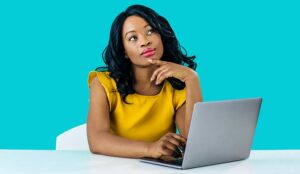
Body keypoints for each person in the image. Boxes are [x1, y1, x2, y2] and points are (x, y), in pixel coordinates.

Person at [87, 4, 203, 159]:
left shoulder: (176, 87)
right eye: (133, 38)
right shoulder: (103, 83)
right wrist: (150, 149)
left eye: (150, 31)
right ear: (124, 51)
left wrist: (192, 79)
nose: (145, 41)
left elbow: (194, 143)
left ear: (161, 36)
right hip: (114, 167)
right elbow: (97, 141)